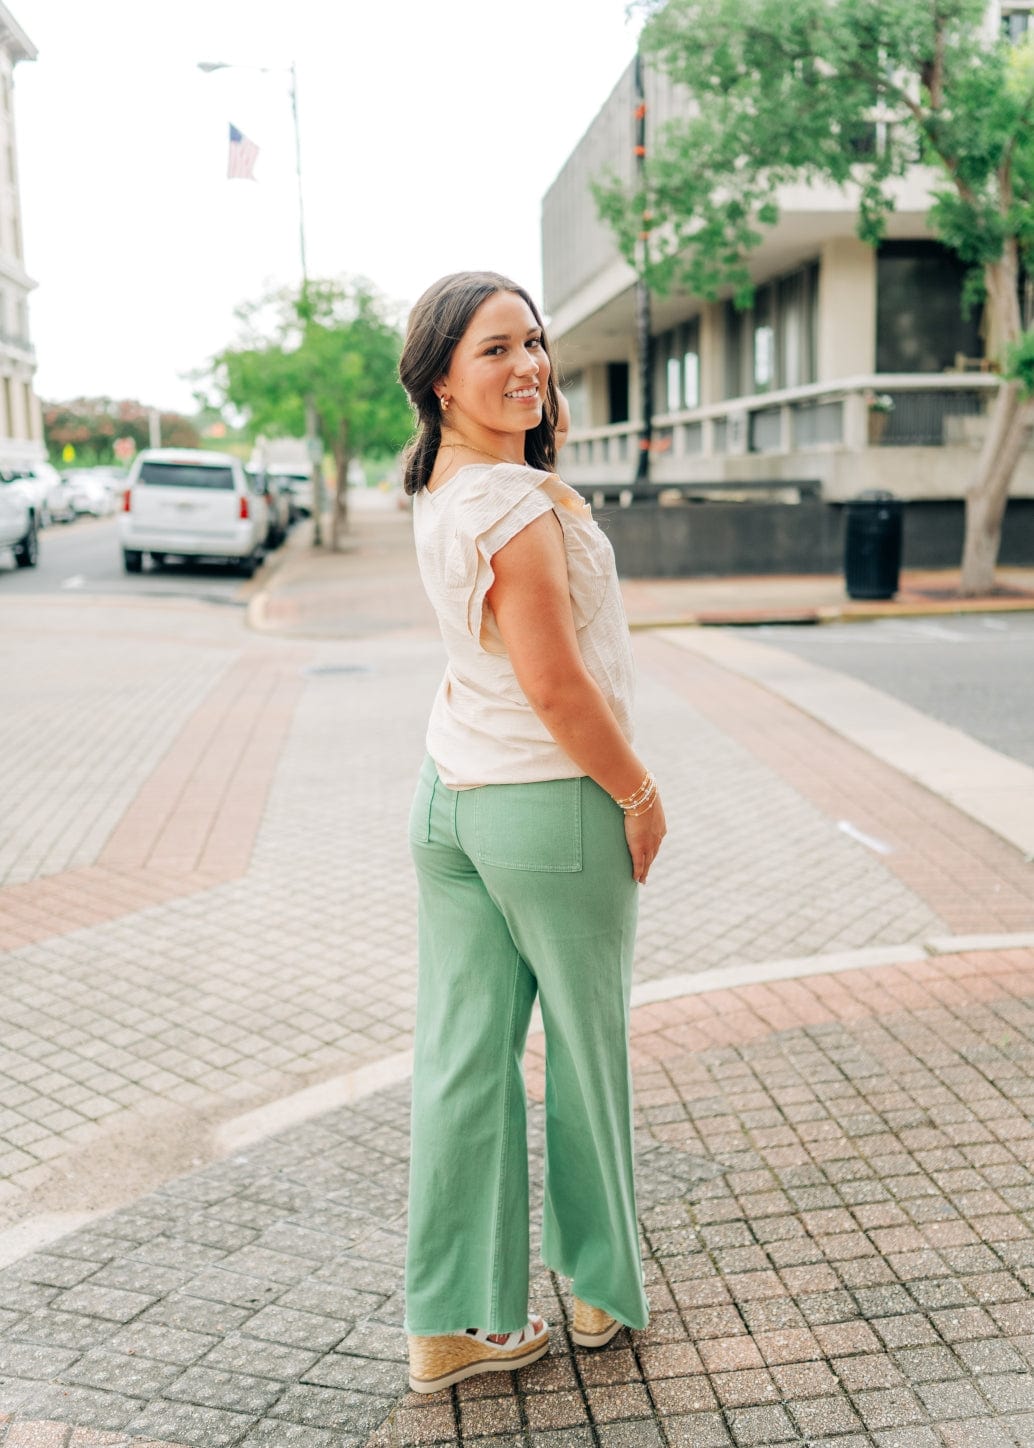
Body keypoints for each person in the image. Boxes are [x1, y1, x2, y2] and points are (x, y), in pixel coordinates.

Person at [398, 271, 666, 1395]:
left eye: (534, 342)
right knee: (586, 1050)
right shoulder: (507, 506)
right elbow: (556, 685)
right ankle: (598, 1288)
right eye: (493, 351)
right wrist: (637, 792)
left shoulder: (451, 485)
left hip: (451, 794)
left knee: (463, 1058)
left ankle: (453, 1322)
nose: (526, 367)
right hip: (549, 802)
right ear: (440, 380)